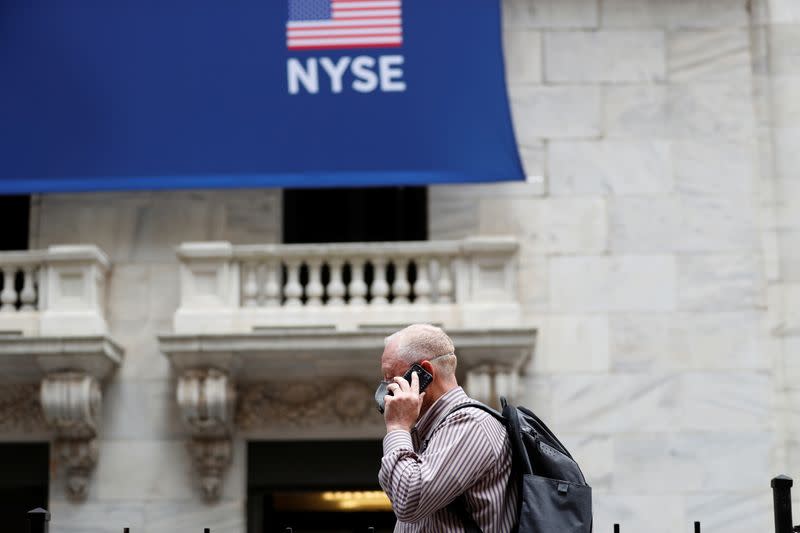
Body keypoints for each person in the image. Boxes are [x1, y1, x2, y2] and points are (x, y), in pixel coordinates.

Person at [377, 324, 518, 532]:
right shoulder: (429, 430)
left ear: (424, 373)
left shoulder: (470, 424)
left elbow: (409, 500)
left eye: (391, 378)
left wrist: (397, 426)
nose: (385, 390)